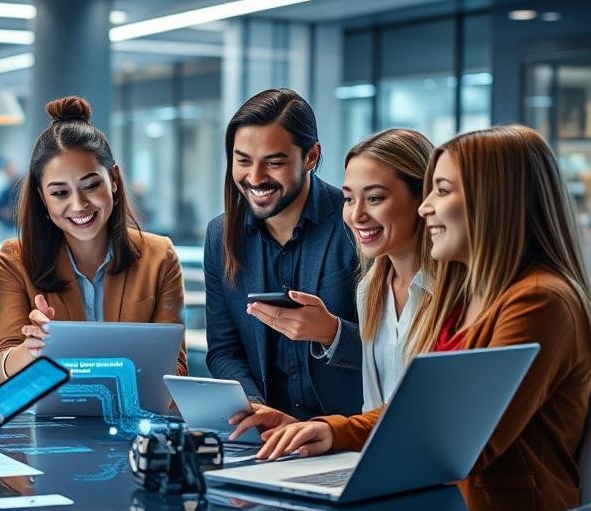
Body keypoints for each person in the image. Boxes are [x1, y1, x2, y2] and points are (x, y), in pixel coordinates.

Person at [256, 125, 591, 511]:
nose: (426, 206)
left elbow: (459, 438)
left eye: (442, 191)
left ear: (494, 201)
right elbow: (422, 413)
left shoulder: (538, 299)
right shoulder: (488, 295)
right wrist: (331, 430)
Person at [0, 95, 187, 381]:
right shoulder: (15, 259)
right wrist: (32, 349)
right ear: (42, 198)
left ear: (115, 181)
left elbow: (177, 369)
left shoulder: (160, 256)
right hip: (49, 423)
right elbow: (1, 367)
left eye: (91, 185)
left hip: (136, 419)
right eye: (60, 193)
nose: (79, 204)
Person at [205, 88, 361, 442]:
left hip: (347, 437)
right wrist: (255, 405)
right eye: (242, 160)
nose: (255, 177)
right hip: (269, 439)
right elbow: (224, 349)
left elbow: (397, 347)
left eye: (273, 162)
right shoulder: (220, 235)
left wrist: (332, 333)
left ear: (311, 157)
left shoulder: (354, 221)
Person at [342, 129, 434, 410]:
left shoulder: (459, 291)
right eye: (348, 199)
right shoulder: (369, 290)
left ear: (422, 198)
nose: (356, 215)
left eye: (374, 198)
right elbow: (372, 409)